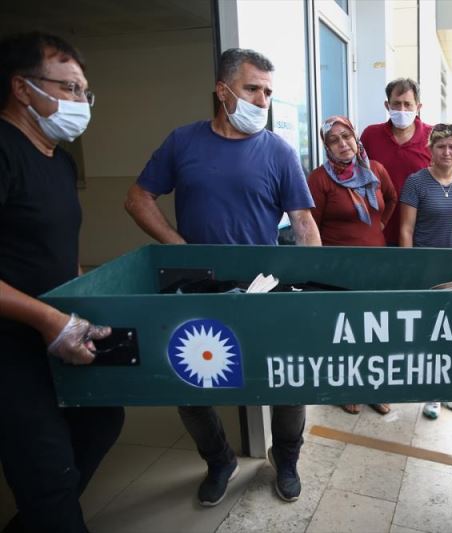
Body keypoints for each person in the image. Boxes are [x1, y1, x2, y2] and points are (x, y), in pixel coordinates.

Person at [125, 48, 321, 507]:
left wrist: (311, 287)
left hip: (265, 289)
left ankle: (286, 458)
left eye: (268, 92)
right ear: (222, 90)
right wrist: (181, 250)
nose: (262, 100)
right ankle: (218, 461)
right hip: (195, 288)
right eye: (252, 89)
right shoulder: (183, 142)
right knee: (190, 385)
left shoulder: (278, 151)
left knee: (289, 383)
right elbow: (137, 199)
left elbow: (304, 223)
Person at [0, 32, 125, 533]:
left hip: (57, 334)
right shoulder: (4, 150)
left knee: (102, 419)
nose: (80, 102)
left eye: (84, 92)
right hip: (11, 347)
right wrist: (49, 319)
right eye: (69, 88)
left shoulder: (59, 159)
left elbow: (56, 247)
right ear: (22, 88)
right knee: (47, 471)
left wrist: (83, 296)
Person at [307, 115, 397, 415]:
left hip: (376, 266)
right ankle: (344, 388)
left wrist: (378, 227)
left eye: (346, 136)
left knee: (373, 330)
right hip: (338, 269)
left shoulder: (375, 170)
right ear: (326, 146)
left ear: (355, 137)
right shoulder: (319, 179)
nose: (342, 144)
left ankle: (372, 387)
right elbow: (311, 226)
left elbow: (391, 199)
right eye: (333, 140)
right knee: (343, 331)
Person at [398, 122, 452, 419]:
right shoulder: (416, 182)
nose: (447, 152)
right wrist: (409, 267)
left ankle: (448, 389)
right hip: (424, 267)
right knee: (429, 331)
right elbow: (405, 229)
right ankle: (430, 393)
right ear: (430, 149)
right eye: (441, 146)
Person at [360, 78, 433, 245]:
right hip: (380, 227)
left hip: (421, 230)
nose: (402, 109)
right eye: (396, 104)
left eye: (408, 104)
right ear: (387, 105)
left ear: (418, 107)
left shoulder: (432, 136)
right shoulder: (371, 135)